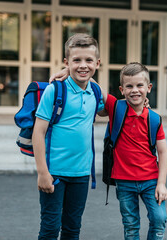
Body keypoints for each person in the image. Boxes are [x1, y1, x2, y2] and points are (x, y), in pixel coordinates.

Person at [32, 33, 106, 239]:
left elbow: (113, 107)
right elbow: (38, 132)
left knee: (73, 228)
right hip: (54, 172)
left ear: (98, 63)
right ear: (67, 62)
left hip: (81, 174)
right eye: (76, 60)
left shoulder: (96, 92)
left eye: (89, 60)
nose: (83, 65)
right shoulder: (55, 90)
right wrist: (42, 172)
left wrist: (142, 101)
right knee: (50, 228)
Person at [106, 62, 167, 240]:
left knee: (159, 218)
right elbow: (92, 85)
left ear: (148, 88)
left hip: (151, 180)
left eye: (139, 85)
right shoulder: (115, 108)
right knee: (131, 225)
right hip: (124, 181)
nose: (135, 90)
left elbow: (163, 152)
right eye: (129, 86)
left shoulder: (154, 119)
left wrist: (161, 183)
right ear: (122, 89)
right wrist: (69, 70)